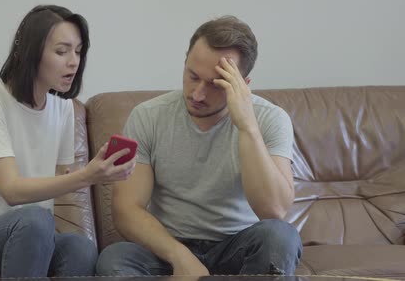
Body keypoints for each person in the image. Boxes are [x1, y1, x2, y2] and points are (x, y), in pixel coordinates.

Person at [96, 16, 302, 276]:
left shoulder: (270, 119)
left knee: (280, 237)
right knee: (115, 258)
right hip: (168, 246)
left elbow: (274, 211)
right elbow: (126, 210)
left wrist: (247, 126)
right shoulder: (148, 116)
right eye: (192, 76)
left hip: (238, 246)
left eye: (216, 84)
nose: (197, 94)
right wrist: (179, 256)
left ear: (242, 85)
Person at [0, 5, 135, 278]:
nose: (73, 62)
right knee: (36, 220)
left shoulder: (64, 109)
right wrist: (87, 177)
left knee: (81, 248)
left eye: (78, 51)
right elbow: (12, 191)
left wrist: (98, 171)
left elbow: (57, 178)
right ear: (31, 52)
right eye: (61, 51)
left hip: (32, 234)